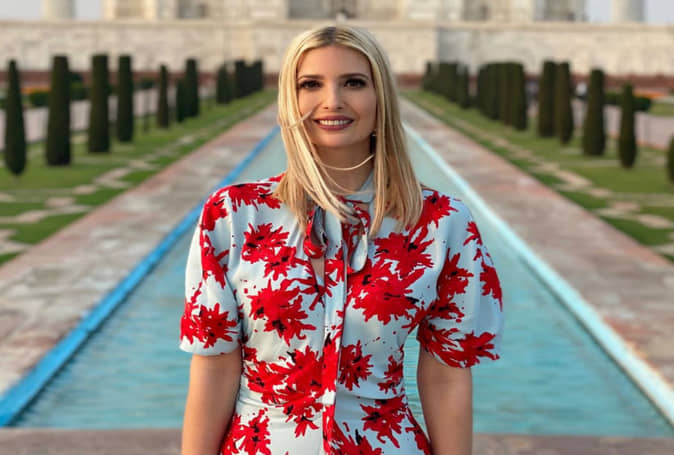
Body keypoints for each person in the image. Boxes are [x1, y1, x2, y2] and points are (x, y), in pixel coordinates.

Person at [180, 24, 503, 455]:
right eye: (311, 84)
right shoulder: (234, 215)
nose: (332, 100)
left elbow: (446, 375)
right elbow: (215, 366)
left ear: (381, 95)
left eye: (353, 82)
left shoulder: (440, 223)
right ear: (290, 98)